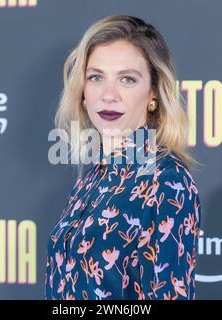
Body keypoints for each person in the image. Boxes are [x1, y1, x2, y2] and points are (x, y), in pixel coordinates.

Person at [45, 15, 202, 300]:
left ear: (153, 92)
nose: (109, 95)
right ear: (82, 92)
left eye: (127, 79)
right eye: (96, 77)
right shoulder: (94, 176)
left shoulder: (166, 180)